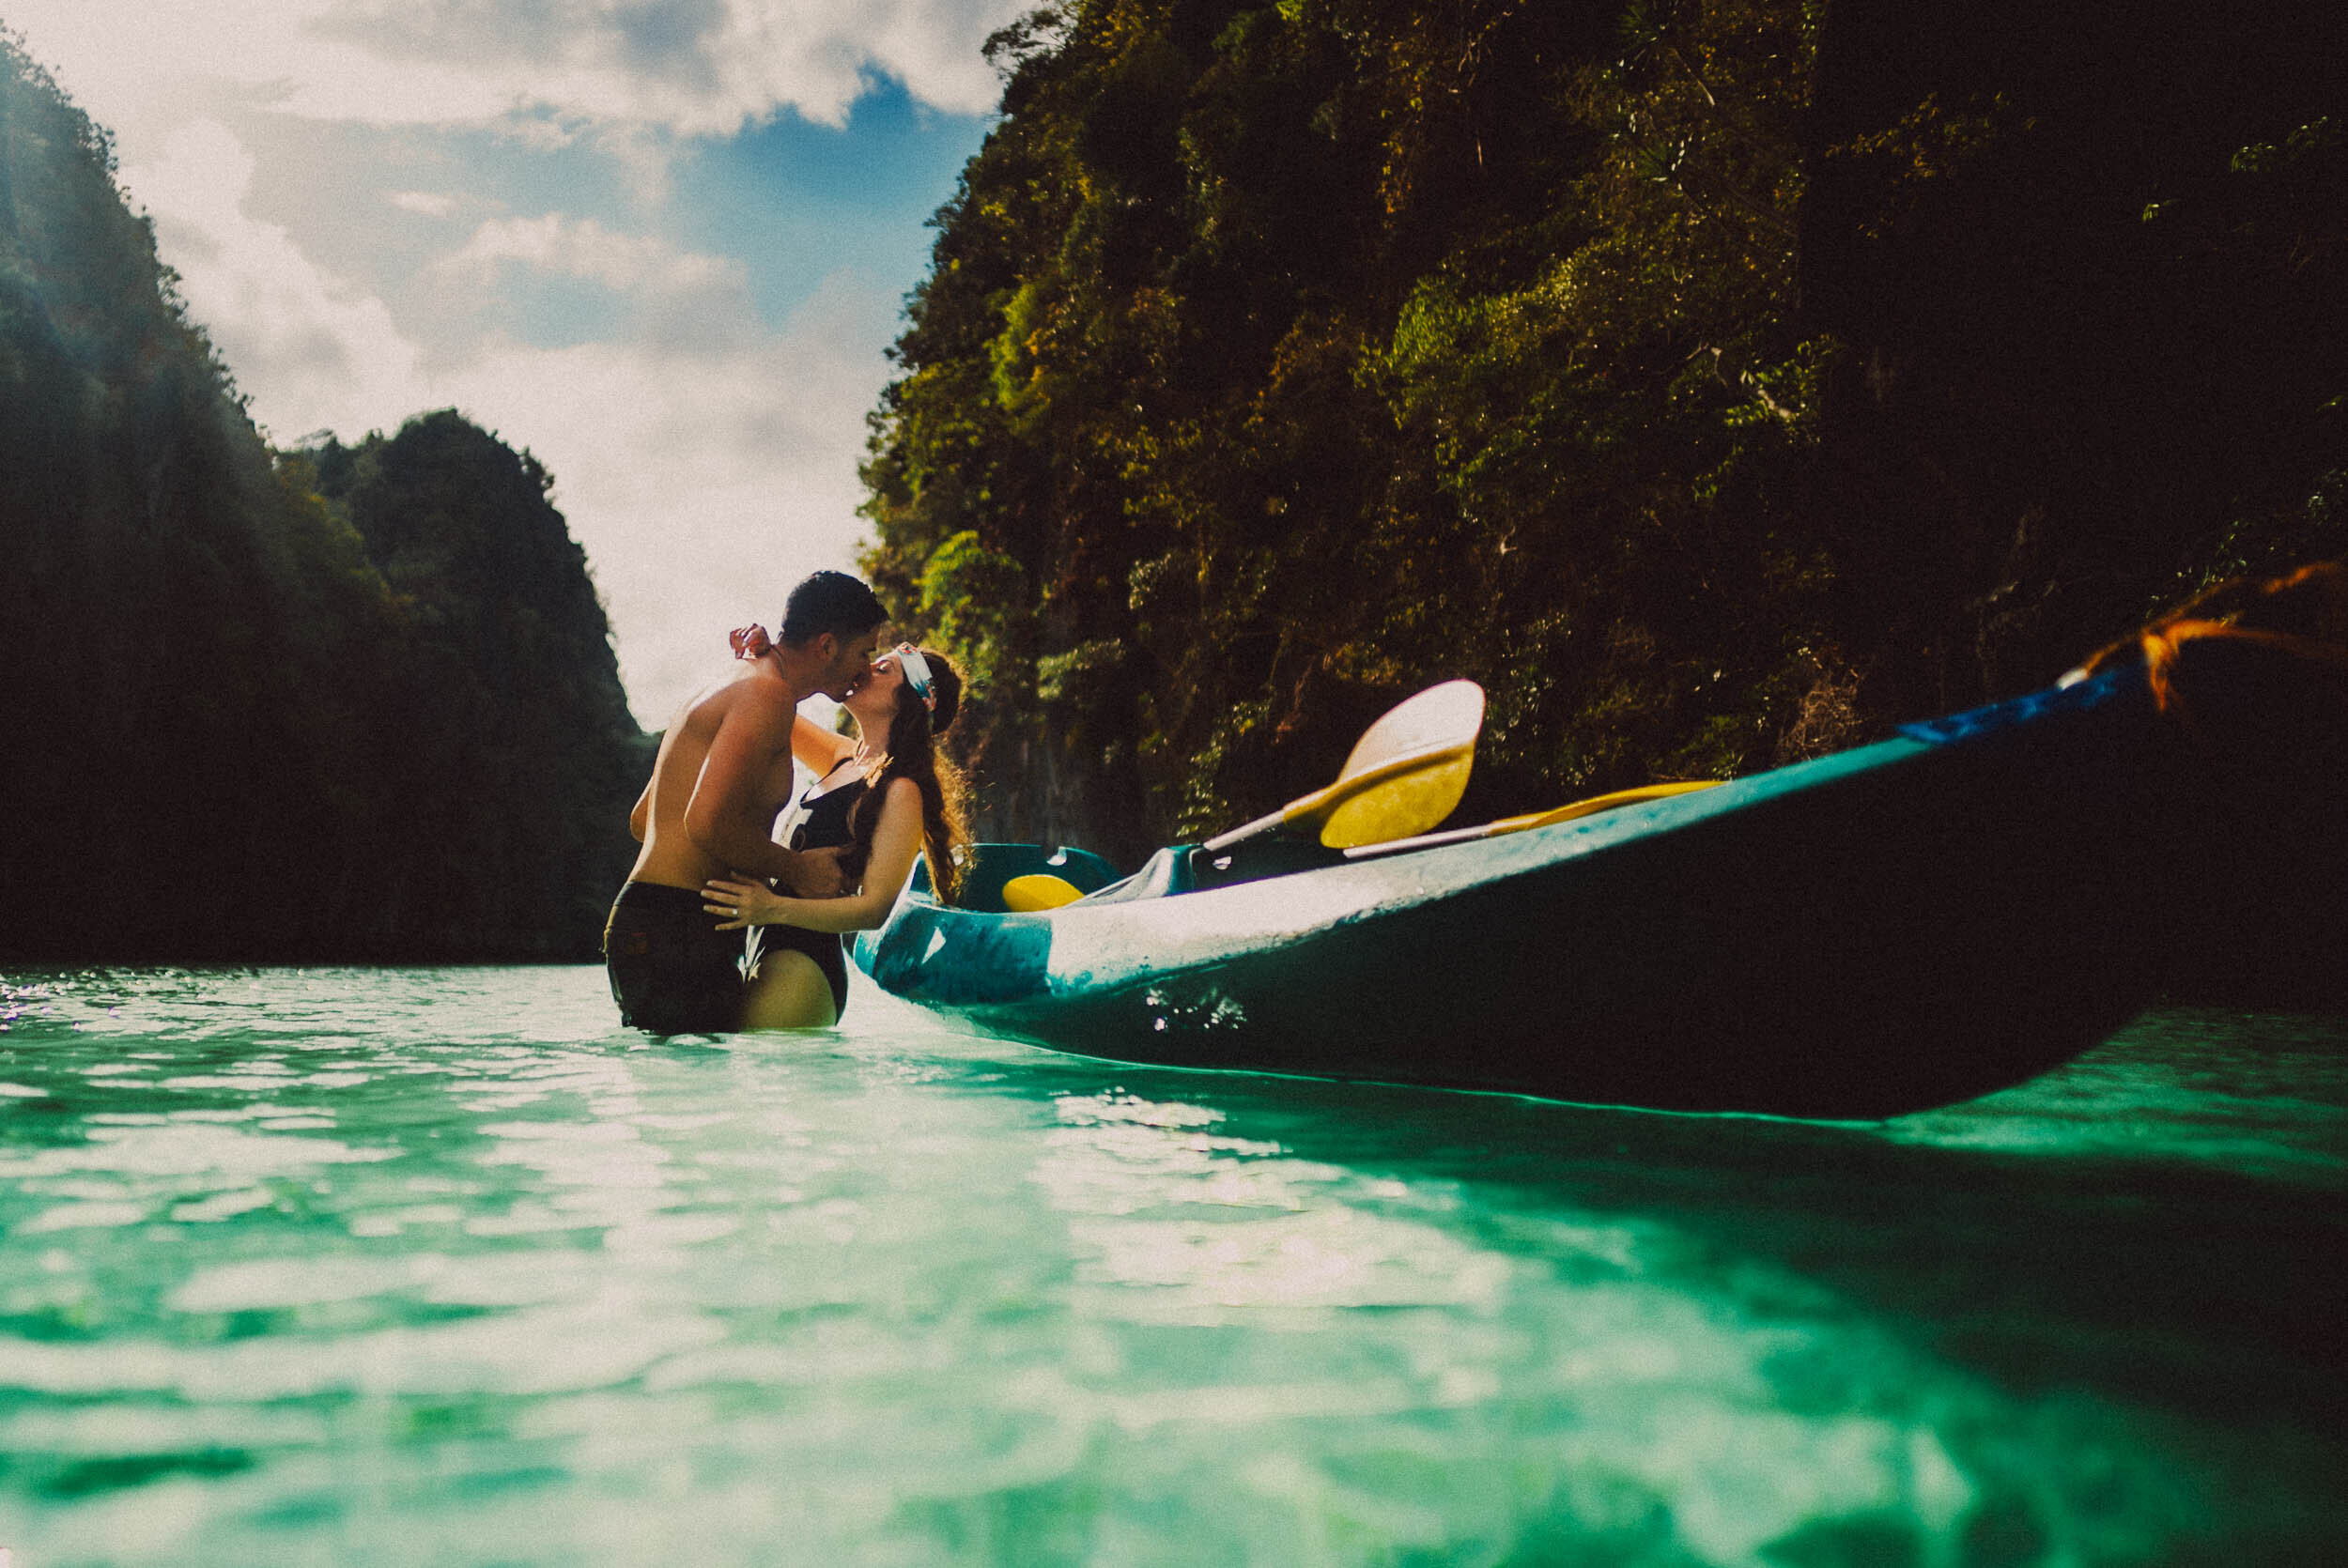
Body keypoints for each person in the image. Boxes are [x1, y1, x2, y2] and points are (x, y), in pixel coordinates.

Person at [604, 570, 888, 1035]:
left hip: (664, 923)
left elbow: (644, 820)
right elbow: (706, 823)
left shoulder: (741, 680)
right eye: (865, 651)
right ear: (828, 645)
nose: (866, 665)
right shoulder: (765, 694)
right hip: (676, 928)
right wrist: (797, 870)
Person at [701, 641, 971, 1028]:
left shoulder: (901, 790)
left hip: (805, 964)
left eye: (884, 670)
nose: (867, 669)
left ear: (908, 701)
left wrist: (771, 908)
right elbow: (771, 705)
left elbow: (874, 909)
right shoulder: (844, 757)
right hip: (766, 944)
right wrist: (761, 655)